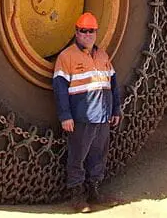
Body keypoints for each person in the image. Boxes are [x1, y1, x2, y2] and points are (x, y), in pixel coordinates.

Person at [53, 12, 121, 213]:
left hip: (103, 116)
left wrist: (115, 110)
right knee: (78, 157)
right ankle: (77, 197)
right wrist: (65, 115)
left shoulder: (103, 56)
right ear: (76, 32)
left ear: (96, 33)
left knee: (98, 155)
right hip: (82, 117)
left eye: (91, 31)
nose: (88, 35)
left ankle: (95, 192)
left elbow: (113, 85)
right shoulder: (66, 57)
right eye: (84, 31)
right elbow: (59, 89)